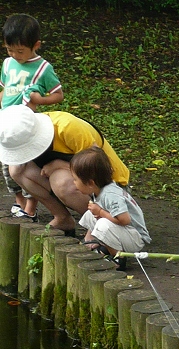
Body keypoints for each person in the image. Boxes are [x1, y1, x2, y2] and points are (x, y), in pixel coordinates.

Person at [0, 105, 129, 234]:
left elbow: (99, 169)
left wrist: (59, 165)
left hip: (109, 186)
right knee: (17, 169)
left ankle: (100, 224)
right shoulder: (19, 130)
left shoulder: (68, 128)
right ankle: (62, 218)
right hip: (73, 176)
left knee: (60, 181)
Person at [1, 13, 64, 221]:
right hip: (6, 125)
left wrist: (38, 100)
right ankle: (19, 202)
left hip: (25, 126)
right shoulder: (8, 64)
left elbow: (58, 95)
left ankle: (30, 207)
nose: (15, 55)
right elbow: (3, 89)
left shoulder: (43, 68)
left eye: (20, 51)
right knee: (7, 168)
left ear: (36, 45)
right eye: (10, 50)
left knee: (23, 165)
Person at [70, 147, 151, 271]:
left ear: (91, 183)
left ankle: (118, 258)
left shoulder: (110, 195)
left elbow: (124, 220)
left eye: (75, 179)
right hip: (124, 232)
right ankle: (92, 242)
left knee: (102, 223)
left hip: (135, 237)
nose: (74, 182)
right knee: (91, 214)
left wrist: (101, 212)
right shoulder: (98, 190)